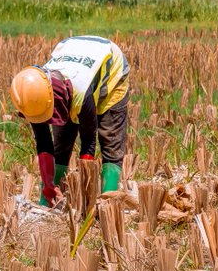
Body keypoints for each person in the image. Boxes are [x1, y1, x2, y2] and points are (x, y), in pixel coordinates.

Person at [10, 35, 129, 205]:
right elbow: (44, 143)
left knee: (110, 138)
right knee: (62, 142)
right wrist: (48, 184)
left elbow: (88, 141)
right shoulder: (34, 93)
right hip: (75, 57)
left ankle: (107, 202)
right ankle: (49, 197)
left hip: (111, 66)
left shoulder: (81, 91)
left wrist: (84, 191)